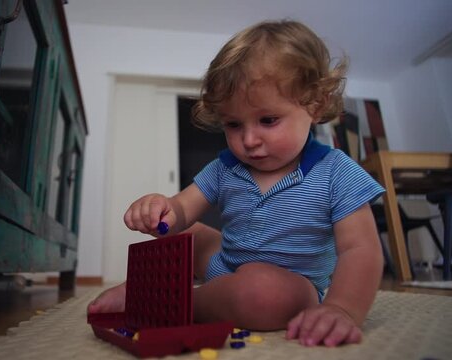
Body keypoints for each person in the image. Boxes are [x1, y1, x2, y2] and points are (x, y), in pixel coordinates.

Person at [88, 20, 385, 347]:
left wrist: (341, 309)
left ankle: (169, 300)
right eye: (233, 124)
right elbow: (182, 208)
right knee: (185, 233)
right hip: (223, 262)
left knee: (261, 294)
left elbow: (360, 249)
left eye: (268, 120)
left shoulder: (336, 172)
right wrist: (162, 208)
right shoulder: (224, 167)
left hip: (286, 287)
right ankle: (149, 286)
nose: (249, 140)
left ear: (314, 106)